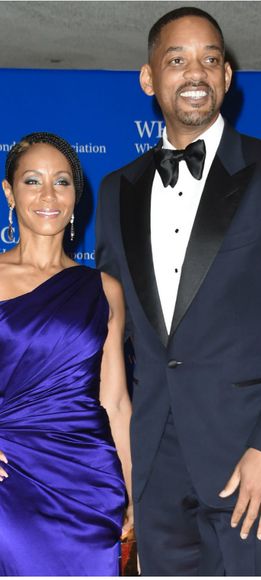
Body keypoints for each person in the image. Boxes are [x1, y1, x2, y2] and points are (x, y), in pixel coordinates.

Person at [95, 6, 261, 576]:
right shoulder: (116, 191)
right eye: (177, 60)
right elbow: (102, 336)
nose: (196, 72)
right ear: (149, 78)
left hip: (251, 464)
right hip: (153, 464)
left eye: (211, 59)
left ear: (228, 77)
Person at [0, 132, 132, 575]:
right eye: (32, 181)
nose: (48, 195)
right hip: (8, 475)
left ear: (77, 196)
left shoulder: (103, 288)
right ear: (9, 192)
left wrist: (135, 492)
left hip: (89, 481)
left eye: (62, 182)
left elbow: (114, 402)